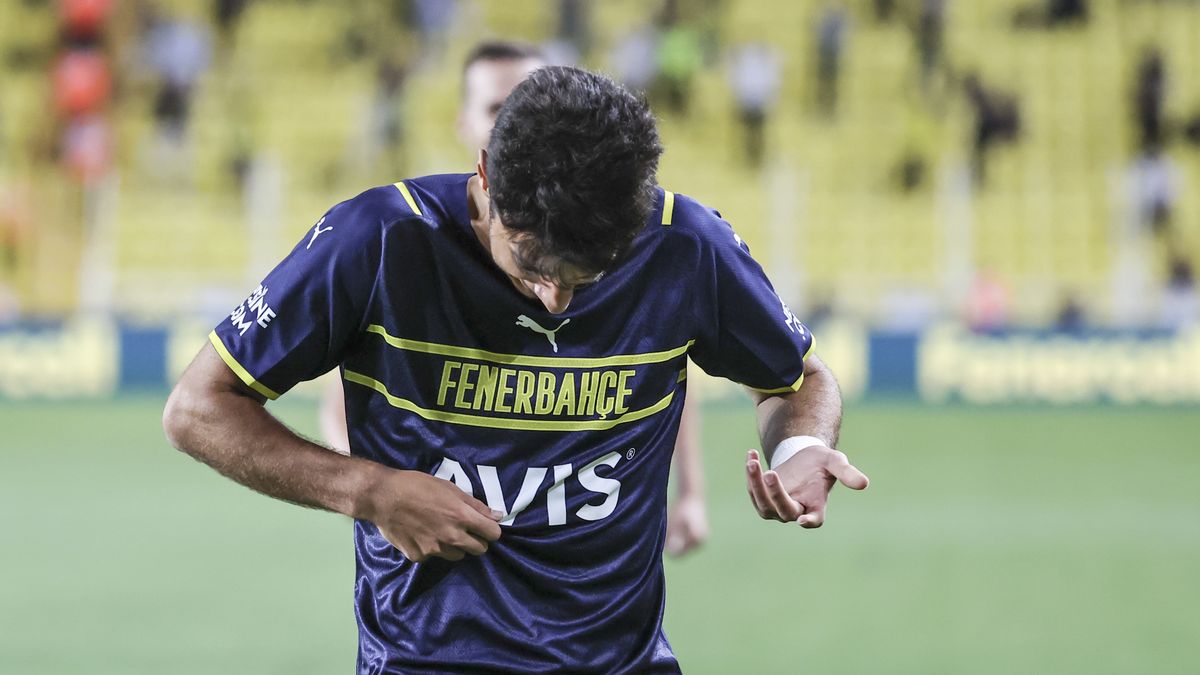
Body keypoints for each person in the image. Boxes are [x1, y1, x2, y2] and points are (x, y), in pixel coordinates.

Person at [164, 66, 868, 673]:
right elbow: (198, 407)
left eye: (587, 278)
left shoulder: (684, 245)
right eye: (532, 264)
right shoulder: (378, 241)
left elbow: (799, 378)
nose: (555, 300)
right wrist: (369, 489)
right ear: (484, 177)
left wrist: (801, 445)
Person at [322, 40, 712, 557]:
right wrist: (384, 495)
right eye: (494, 110)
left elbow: (661, 372)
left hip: (587, 590)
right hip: (440, 580)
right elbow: (341, 404)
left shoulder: (622, 230)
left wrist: (691, 492)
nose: (511, 123)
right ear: (464, 124)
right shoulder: (396, 239)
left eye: (525, 104)